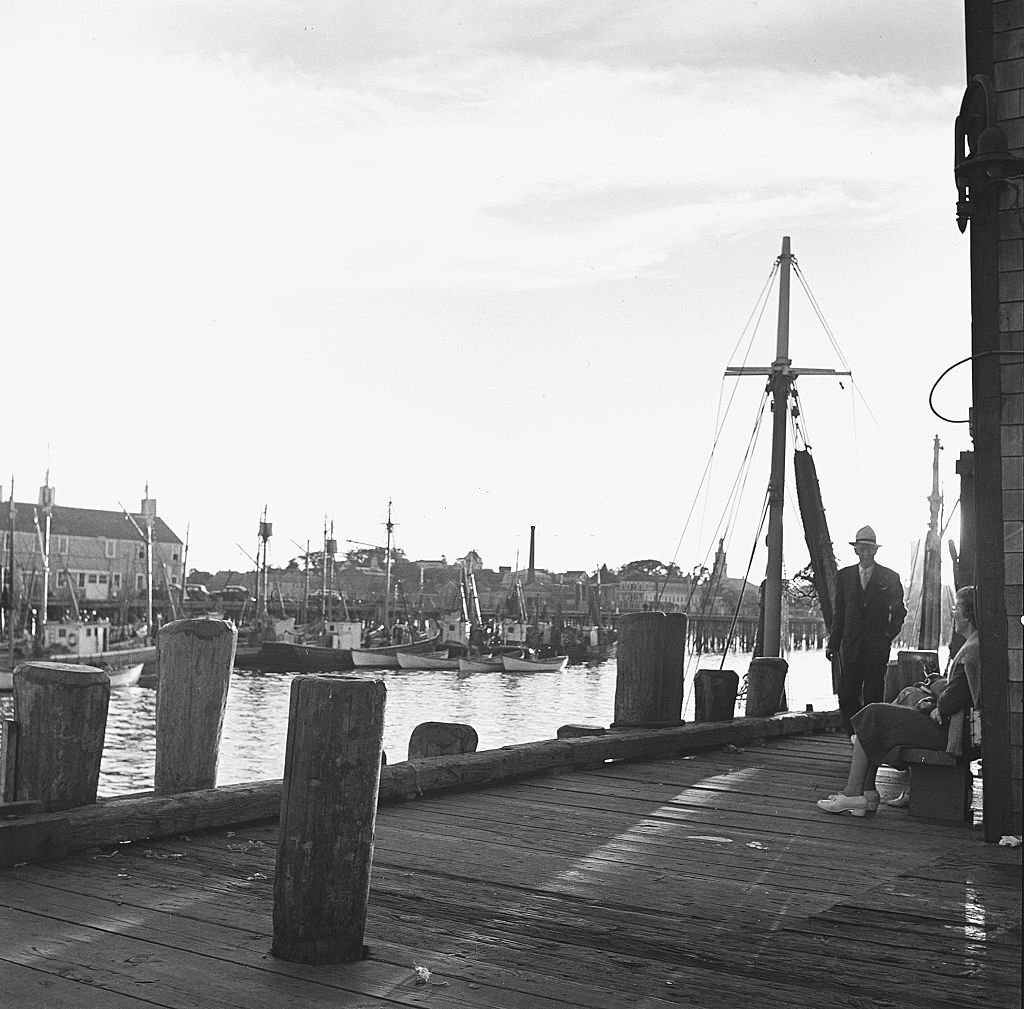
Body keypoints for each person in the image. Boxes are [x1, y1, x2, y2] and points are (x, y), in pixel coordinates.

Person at [816, 585, 980, 817]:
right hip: (956, 727)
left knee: (873, 715)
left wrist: (935, 697)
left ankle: (855, 792)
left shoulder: (972, 651)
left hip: (953, 733)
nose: (953, 614)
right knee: (892, 707)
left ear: (968, 614)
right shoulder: (974, 645)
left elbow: (953, 700)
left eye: (956, 608)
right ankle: (868, 791)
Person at [827, 525, 907, 734]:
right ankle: (854, 735)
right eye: (861, 548)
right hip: (851, 646)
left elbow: (899, 611)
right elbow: (840, 613)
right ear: (855, 550)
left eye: (869, 549)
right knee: (846, 694)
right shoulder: (844, 576)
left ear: (876, 551)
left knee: (873, 695)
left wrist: (887, 636)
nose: (865, 553)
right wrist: (833, 644)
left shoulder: (890, 577)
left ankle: (871, 738)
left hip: (876, 648)